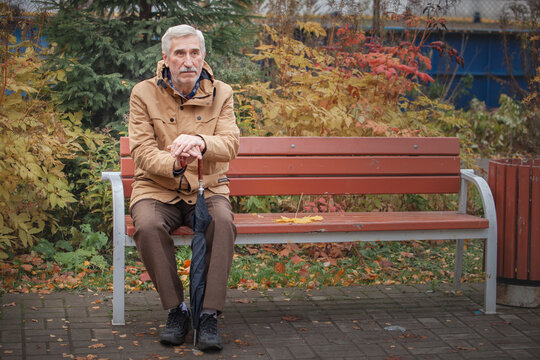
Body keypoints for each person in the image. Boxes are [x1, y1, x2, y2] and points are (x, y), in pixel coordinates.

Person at [128, 24, 239, 351]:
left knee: (221, 223)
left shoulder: (223, 93)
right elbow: (141, 150)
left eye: (194, 52)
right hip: (156, 189)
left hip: (207, 187)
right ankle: (177, 310)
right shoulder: (143, 93)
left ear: (203, 56)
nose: (188, 60)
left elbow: (230, 143)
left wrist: (201, 143)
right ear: (166, 58)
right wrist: (175, 161)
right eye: (180, 53)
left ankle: (207, 315)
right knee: (147, 226)